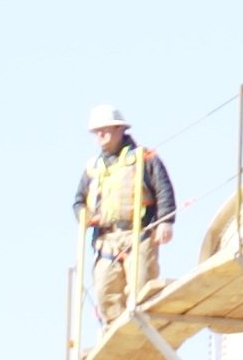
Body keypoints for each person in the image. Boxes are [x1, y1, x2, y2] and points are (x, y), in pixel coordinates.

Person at [75, 104, 177, 323]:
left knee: (141, 288)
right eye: (96, 131)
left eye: (106, 129)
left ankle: (142, 328)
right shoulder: (93, 168)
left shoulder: (143, 158)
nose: (100, 135)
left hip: (138, 234)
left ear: (120, 129)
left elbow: (163, 189)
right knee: (104, 291)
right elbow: (78, 202)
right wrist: (86, 217)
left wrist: (166, 222)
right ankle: (114, 331)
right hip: (106, 241)